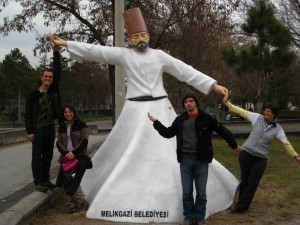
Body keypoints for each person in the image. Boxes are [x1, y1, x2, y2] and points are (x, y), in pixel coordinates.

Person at [47, 7, 237, 223]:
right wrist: (65, 44)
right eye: (136, 36)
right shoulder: (124, 55)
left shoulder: (159, 56)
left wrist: (214, 85)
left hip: (161, 108)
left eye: (143, 35)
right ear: (130, 39)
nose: (140, 39)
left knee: (174, 148)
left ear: (148, 36)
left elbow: (185, 70)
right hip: (134, 110)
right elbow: (96, 51)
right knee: (122, 152)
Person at [148, 92, 240, 225]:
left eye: (191, 101)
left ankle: (200, 218)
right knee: (187, 192)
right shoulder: (180, 120)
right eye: (186, 102)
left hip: (201, 160)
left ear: (196, 103)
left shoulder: (206, 118)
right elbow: (168, 133)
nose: (188, 103)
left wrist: (234, 145)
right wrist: (156, 122)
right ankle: (189, 218)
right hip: (185, 161)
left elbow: (222, 130)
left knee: (201, 193)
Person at [223, 100, 300, 213]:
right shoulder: (257, 118)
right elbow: (242, 112)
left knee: (253, 183)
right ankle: (240, 205)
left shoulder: (278, 129)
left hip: (261, 158)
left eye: (268, 111)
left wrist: (295, 156)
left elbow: (286, 143)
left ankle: (241, 206)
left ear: (274, 114)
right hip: (246, 154)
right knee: (245, 180)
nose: (266, 113)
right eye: (265, 110)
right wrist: (228, 104)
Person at [25, 43, 61, 192]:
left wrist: (56, 53)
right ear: (41, 78)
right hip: (38, 129)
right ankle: (38, 181)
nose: (48, 78)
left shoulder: (53, 92)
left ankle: (46, 180)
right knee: (37, 157)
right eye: (45, 76)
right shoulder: (33, 95)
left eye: (50, 77)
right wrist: (30, 131)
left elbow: (58, 71)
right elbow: (28, 114)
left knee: (48, 155)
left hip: (50, 128)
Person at [56, 105, 92, 213]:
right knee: (67, 179)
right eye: (65, 112)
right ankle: (74, 203)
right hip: (66, 158)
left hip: (80, 157)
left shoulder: (81, 124)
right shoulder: (62, 126)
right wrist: (67, 153)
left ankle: (81, 202)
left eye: (70, 111)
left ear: (74, 112)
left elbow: (84, 141)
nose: (68, 114)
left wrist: (74, 153)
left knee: (74, 179)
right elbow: (59, 142)